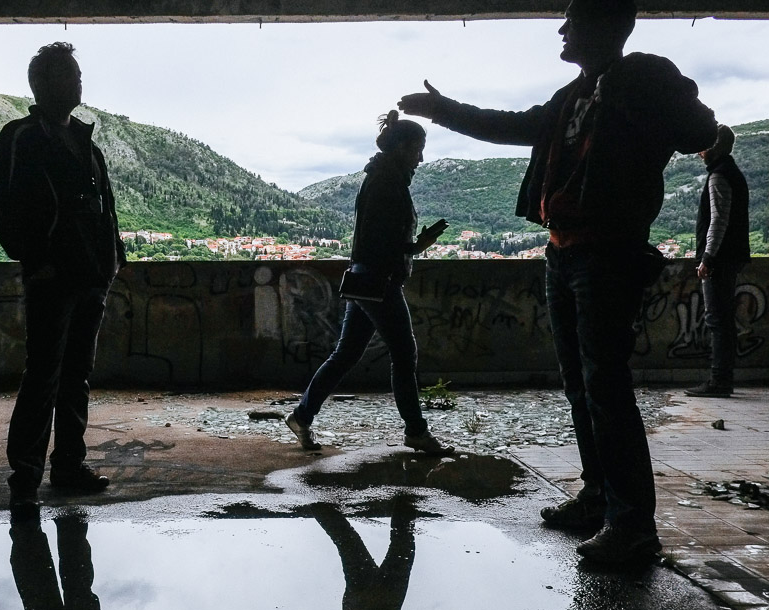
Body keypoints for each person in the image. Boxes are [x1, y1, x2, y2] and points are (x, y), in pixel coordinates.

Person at [399, 0, 717, 564]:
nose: (563, 28)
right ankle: (598, 500)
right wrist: (441, 109)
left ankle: (633, 525)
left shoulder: (642, 76)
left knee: (606, 389)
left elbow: (701, 129)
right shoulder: (570, 97)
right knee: (581, 386)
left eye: (573, 18)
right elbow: (513, 127)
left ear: (604, 25)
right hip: (564, 253)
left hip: (608, 254)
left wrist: (645, 90)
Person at [0, 42, 126, 509]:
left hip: (91, 275)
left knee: (77, 375)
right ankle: (25, 473)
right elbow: (3, 209)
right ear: (45, 83)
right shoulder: (21, 137)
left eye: (78, 73)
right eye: (70, 74)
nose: (79, 81)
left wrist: (114, 259)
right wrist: (36, 262)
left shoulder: (89, 144)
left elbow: (106, 209)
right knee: (44, 374)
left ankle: (68, 465)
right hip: (53, 278)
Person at [285, 111, 453, 456]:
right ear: (403, 147)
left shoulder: (382, 177)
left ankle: (302, 416)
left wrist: (410, 245)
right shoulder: (387, 183)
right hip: (380, 281)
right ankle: (416, 432)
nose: (421, 158)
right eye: (418, 149)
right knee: (404, 353)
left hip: (364, 279)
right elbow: (381, 241)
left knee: (346, 354)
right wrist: (415, 247)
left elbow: (376, 237)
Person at [685, 124, 750, 398]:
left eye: (704, 146)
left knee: (717, 320)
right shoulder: (732, 173)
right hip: (732, 257)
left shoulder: (718, 177)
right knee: (723, 320)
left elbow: (718, 221)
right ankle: (722, 378)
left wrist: (708, 258)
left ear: (713, 147)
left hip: (720, 260)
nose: (700, 152)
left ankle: (719, 381)